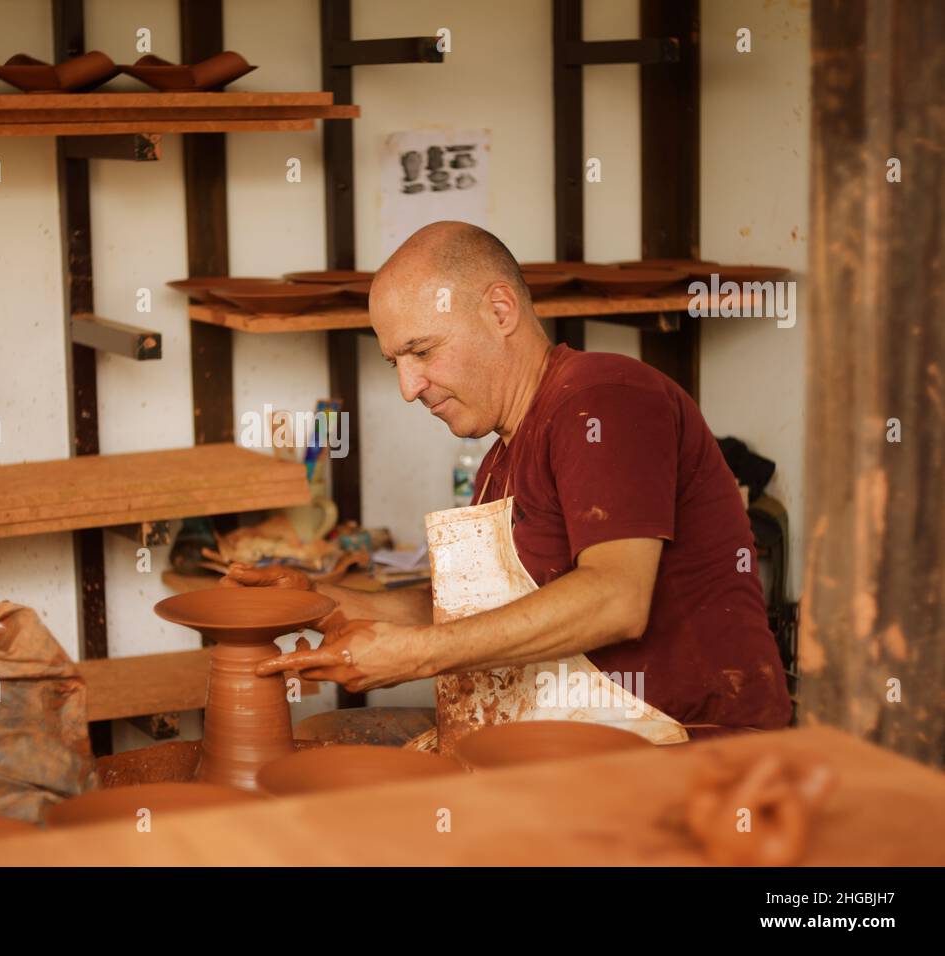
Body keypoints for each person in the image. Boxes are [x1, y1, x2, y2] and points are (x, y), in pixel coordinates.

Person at [234, 220, 791, 734]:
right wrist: (323, 602)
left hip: (688, 745)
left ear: (500, 311)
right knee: (325, 739)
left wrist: (415, 655)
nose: (408, 387)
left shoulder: (604, 401)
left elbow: (616, 598)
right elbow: (471, 616)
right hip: (566, 742)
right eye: (394, 362)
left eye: (422, 350)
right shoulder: (503, 452)